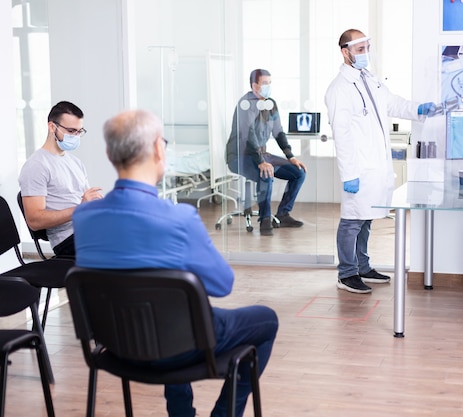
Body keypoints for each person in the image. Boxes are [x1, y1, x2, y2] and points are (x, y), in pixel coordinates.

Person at [72, 109, 279, 417]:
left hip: (115, 347)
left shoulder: (84, 217)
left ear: (109, 154)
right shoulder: (178, 218)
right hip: (177, 348)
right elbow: (223, 284)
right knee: (266, 319)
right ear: (159, 148)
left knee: (167, 311)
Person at [324, 29, 438, 294]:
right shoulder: (339, 89)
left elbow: (393, 104)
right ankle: (346, 273)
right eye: (360, 49)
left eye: (367, 48)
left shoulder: (369, 80)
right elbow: (341, 136)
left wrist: (418, 109)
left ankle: (363, 266)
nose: (366, 53)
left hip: (375, 166)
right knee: (352, 220)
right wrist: (349, 174)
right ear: (346, 52)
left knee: (366, 218)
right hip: (358, 168)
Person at [226, 68, 307, 236]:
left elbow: (278, 132)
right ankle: (264, 220)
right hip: (240, 156)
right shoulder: (245, 104)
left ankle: (283, 213)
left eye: (270, 83)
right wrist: (261, 161)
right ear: (254, 86)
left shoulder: (271, 104)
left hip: (262, 154)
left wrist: (290, 156)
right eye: (264, 83)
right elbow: (248, 135)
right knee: (266, 173)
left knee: (299, 172)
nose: (268, 87)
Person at [18, 101, 103, 258]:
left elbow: (86, 203)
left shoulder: (75, 163)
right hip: (68, 240)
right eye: (71, 131)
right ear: (52, 127)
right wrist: (80, 208)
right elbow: (34, 221)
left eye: (79, 132)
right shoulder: (36, 165)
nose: (76, 136)